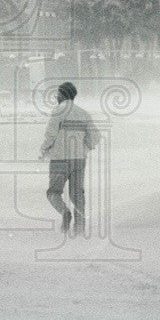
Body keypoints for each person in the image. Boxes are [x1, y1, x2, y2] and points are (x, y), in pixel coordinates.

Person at [39, 82, 100, 235]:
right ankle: (79, 228)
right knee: (77, 194)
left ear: (62, 94)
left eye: (58, 94)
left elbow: (50, 135)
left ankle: (65, 212)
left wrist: (44, 149)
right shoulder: (84, 113)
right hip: (79, 159)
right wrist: (85, 147)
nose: (56, 97)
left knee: (53, 192)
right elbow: (95, 137)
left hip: (59, 159)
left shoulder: (58, 111)